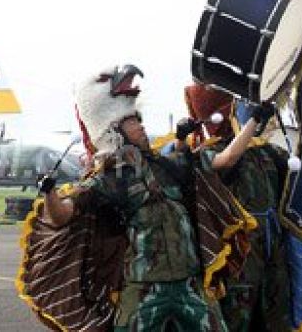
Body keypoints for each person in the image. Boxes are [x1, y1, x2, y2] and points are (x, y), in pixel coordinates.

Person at [41, 66, 268, 332]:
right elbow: (62, 215)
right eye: (133, 122)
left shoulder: (170, 165)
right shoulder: (112, 179)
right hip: (143, 288)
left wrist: (255, 120)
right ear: (115, 131)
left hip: (189, 284)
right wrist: (49, 193)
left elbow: (226, 158)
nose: (141, 125)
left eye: (138, 120)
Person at [185, 84, 291, 332]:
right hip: (239, 254)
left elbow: (300, 172)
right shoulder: (207, 153)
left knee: (277, 318)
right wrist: (254, 120)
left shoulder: (264, 152)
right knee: (237, 320)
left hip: (272, 248)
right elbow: (228, 159)